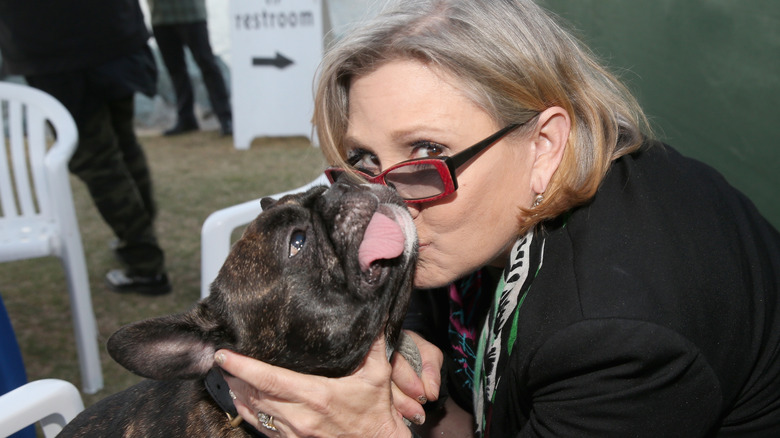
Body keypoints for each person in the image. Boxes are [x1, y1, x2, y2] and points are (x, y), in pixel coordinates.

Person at [214, 0, 780, 436]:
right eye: (364, 161)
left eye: (427, 151)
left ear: (545, 144)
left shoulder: (620, 335)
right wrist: (403, 337)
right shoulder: (474, 212)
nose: (384, 206)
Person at [0, 0, 171, 295]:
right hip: (114, 32)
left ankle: (145, 262)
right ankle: (140, 241)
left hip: (54, 47)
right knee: (122, 144)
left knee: (98, 160)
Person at [147, 0, 233, 136]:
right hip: (160, 16)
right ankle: (186, 119)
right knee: (175, 69)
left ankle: (226, 117)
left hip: (192, 13)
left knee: (207, 64)